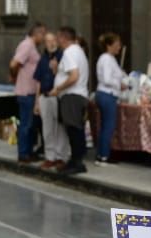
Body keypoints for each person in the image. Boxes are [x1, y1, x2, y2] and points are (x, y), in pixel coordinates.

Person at [53, 26, 91, 175]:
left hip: (71, 95)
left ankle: (77, 161)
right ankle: (75, 159)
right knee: (76, 128)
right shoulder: (79, 51)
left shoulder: (69, 53)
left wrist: (59, 88)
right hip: (79, 95)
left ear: (63, 38)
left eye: (58, 37)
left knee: (73, 128)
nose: (57, 41)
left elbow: (73, 76)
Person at [10, 23, 45, 163]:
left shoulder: (32, 46)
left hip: (31, 91)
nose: (43, 38)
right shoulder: (27, 45)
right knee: (26, 124)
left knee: (31, 125)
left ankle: (29, 151)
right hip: (26, 91)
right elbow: (14, 64)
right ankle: (23, 153)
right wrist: (14, 76)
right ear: (37, 33)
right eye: (43, 34)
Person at [36, 31, 67, 170]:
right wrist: (37, 101)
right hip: (45, 95)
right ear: (45, 43)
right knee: (47, 128)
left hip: (58, 96)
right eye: (48, 41)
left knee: (60, 128)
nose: (52, 43)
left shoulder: (63, 56)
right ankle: (50, 157)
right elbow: (38, 80)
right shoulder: (42, 58)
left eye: (54, 39)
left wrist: (55, 69)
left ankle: (61, 156)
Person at [92, 33, 125, 166]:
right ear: (109, 45)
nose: (119, 47)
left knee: (106, 125)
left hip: (107, 94)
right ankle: (103, 155)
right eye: (117, 44)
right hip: (107, 94)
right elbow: (106, 79)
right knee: (108, 126)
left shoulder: (111, 59)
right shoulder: (106, 59)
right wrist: (119, 84)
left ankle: (103, 153)